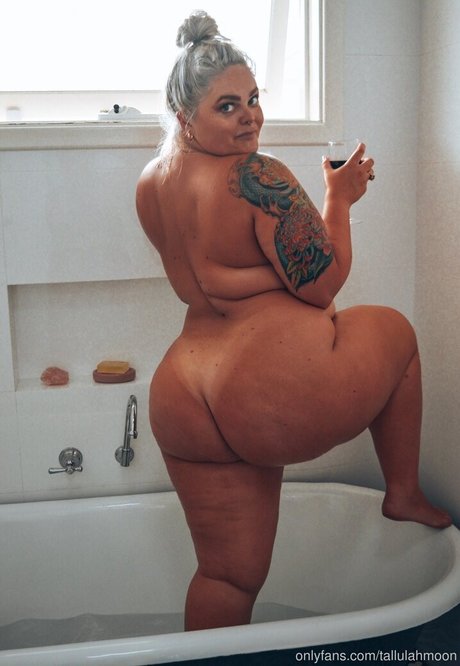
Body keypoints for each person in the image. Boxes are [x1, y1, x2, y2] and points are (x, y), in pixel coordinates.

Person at [136, 11, 451, 632]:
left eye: (253, 99)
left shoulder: (154, 181)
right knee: (397, 332)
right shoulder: (258, 176)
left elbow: (204, 276)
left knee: (227, 576)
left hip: (182, 394)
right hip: (265, 389)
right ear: (185, 116)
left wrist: (258, 278)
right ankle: (403, 492)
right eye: (228, 106)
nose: (250, 118)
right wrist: (339, 199)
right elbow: (324, 283)